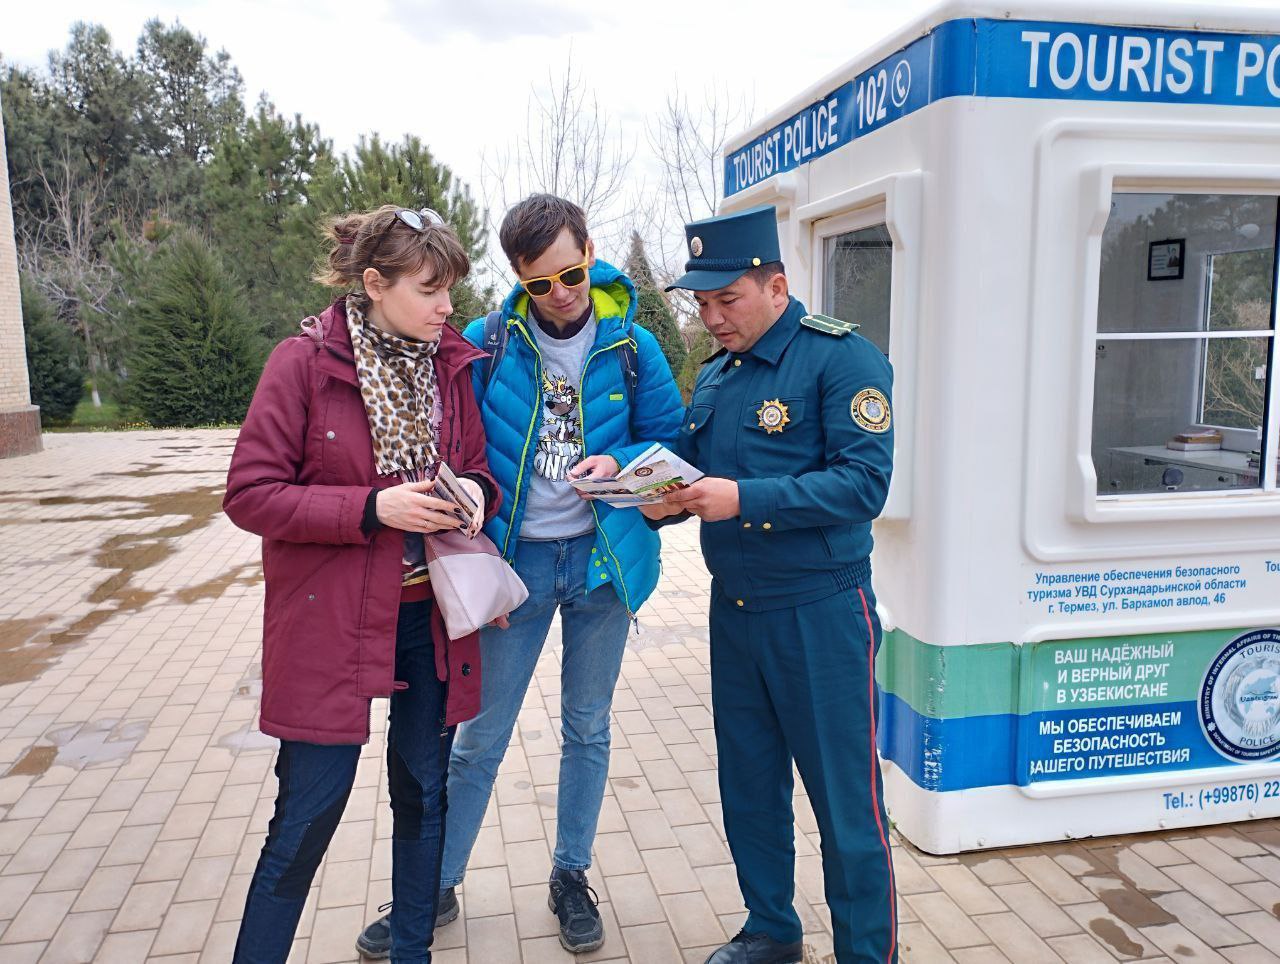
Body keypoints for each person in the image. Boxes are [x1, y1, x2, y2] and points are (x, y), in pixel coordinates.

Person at [356, 194, 685, 957]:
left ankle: (571, 874)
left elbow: (671, 441)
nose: (561, 293)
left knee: (587, 728)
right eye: (540, 283)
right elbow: (456, 445)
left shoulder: (633, 347)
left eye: (571, 273)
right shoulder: (487, 344)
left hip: (603, 565)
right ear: (518, 280)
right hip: (518, 568)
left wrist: (623, 462)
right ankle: (433, 887)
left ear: (589, 252)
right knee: (480, 736)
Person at [224, 204, 500, 964]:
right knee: (307, 815)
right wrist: (372, 508)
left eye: (451, 290)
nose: (449, 309)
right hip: (331, 623)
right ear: (374, 284)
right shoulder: (304, 364)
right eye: (429, 290)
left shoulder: (448, 365)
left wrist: (477, 493)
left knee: (422, 798)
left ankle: (413, 952)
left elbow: (476, 464)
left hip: (429, 619)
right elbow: (249, 494)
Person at [643, 205, 898, 964]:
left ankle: (865, 953)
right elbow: (690, 465)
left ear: (777, 285)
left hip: (821, 612)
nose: (713, 318)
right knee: (751, 791)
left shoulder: (841, 360)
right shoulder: (718, 373)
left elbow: (863, 486)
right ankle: (771, 930)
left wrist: (744, 499)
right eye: (703, 304)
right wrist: (644, 491)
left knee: (846, 809)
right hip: (738, 615)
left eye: (728, 300)